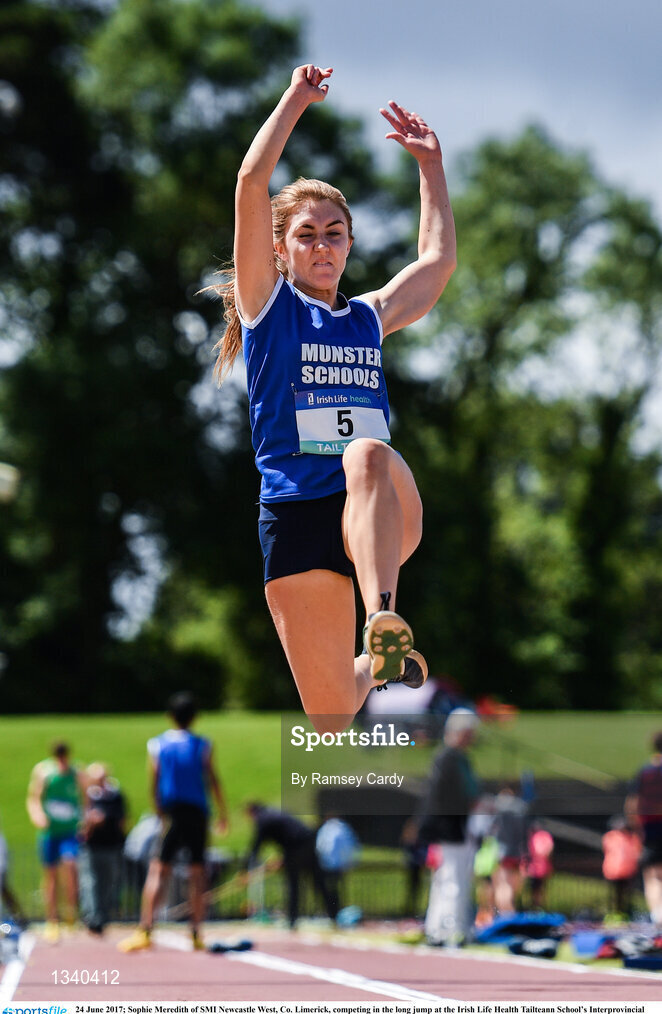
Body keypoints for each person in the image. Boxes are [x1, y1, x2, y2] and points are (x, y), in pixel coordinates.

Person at [210, 64, 456, 733]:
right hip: (293, 513)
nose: (322, 245)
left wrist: (431, 168)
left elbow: (436, 264)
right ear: (281, 249)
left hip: (376, 509)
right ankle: (381, 662)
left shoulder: (368, 316)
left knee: (366, 452)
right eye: (307, 233)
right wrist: (295, 98)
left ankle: (382, 616)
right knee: (329, 719)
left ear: (349, 243)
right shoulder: (269, 308)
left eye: (334, 232)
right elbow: (252, 182)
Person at [119, 692, 229, 952]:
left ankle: (146, 929)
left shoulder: (158, 744)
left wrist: (158, 811)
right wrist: (222, 812)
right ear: (194, 717)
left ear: (170, 716)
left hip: (173, 812)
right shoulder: (203, 744)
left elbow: (155, 780)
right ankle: (196, 932)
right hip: (198, 813)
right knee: (197, 871)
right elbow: (211, 779)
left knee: (159, 869)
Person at [415, 708, 481, 945]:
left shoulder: (450, 757)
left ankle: (437, 928)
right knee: (453, 878)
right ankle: (451, 928)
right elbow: (459, 795)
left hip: (450, 826)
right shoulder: (450, 758)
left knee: (445, 878)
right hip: (451, 827)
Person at [245, 802, 339, 929]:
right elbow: (288, 834)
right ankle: (334, 915)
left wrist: (245, 870)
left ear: (252, 812)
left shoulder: (262, 819)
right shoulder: (273, 813)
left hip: (297, 847)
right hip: (308, 842)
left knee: (293, 885)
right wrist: (284, 858)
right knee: (319, 882)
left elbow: (256, 845)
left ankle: (293, 919)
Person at [26, 741, 85, 942]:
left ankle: (71, 914)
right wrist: (38, 815)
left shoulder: (76, 772)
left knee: (71, 866)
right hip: (50, 832)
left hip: (69, 831)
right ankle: (52, 920)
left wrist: (84, 820)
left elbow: (85, 797)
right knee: (50, 874)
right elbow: (34, 797)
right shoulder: (44, 772)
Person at [79, 763, 127, 934]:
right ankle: (93, 917)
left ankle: (104, 915)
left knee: (108, 881)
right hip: (92, 846)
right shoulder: (87, 795)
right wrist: (90, 823)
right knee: (90, 882)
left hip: (111, 845)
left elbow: (122, 818)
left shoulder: (115, 795)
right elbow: (81, 820)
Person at [625, 730, 662, 927]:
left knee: (653, 875)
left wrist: (637, 828)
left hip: (651, 827)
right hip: (653, 826)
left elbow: (632, 805)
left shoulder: (645, 772)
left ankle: (658, 917)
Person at [602, 815, 642, 918]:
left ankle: (626, 914)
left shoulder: (632, 838)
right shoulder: (610, 837)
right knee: (614, 895)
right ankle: (613, 914)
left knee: (628, 895)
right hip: (613, 871)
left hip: (628, 871)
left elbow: (635, 852)